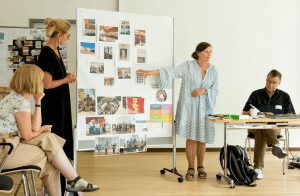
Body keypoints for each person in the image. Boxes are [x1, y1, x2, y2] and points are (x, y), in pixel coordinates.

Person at [0, 64, 99, 195]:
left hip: (9, 146)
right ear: (32, 82)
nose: (43, 84)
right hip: (5, 151)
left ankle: (73, 180)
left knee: (51, 159)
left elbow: (33, 127)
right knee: (50, 155)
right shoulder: (19, 102)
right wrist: (42, 130)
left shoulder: (17, 98)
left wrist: (38, 102)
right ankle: (74, 179)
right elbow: (28, 136)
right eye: (40, 81)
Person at [137, 42, 218, 181]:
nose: (209, 54)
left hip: (205, 109)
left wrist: (203, 90)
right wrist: (150, 72)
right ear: (198, 53)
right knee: (192, 138)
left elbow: (215, 90)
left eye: (211, 51)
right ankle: (191, 168)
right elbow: (171, 72)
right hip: (189, 108)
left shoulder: (213, 71)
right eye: (206, 51)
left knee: (202, 139)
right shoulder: (188, 66)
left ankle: (201, 167)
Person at [36, 17, 76, 194]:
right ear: (59, 35)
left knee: (63, 141)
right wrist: (66, 79)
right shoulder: (46, 53)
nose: (68, 38)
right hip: (52, 107)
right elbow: (47, 84)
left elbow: (55, 77)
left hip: (61, 105)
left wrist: (66, 77)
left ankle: (64, 184)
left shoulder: (56, 50)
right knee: (56, 143)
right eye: (68, 35)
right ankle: (56, 187)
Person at [242, 69, 295, 179]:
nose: (270, 84)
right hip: (254, 127)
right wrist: (255, 113)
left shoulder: (284, 96)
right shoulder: (256, 94)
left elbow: (291, 115)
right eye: (268, 81)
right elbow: (244, 112)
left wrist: (274, 115)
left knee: (263, 129)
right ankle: (275, 144)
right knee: (262, 125)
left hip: (274, 128)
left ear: (279, 82)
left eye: (274, 82)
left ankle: (258, 169)